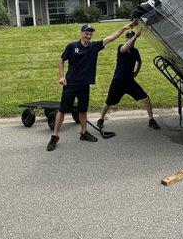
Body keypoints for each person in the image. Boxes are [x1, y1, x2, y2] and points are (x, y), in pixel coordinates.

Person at [47, 21, 136, 151]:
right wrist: (61, 76)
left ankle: (83, 133)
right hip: (71, 84)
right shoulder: (72, 46)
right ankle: (54, 136)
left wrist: (124, 28)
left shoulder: (94, 46)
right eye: (86, 33)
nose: (88, 36)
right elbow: (61, 60)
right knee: (62, 110)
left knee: (83, 110)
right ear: (82, 33)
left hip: (84, 85)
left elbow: (111, 37)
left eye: (90, 34)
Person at [96, 29, 159, 130]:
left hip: (130, 81)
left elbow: (139, 61)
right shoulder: (121, 47)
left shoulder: (135, 51)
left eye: (132, 37)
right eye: (128, 37)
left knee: (145, 98)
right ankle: (101, 119)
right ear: (126, 38)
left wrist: (136, 72)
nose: (130, 38)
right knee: (109, 102)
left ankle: (151, 120)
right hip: (118, 81)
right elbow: (124, 49)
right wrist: (135, 36)